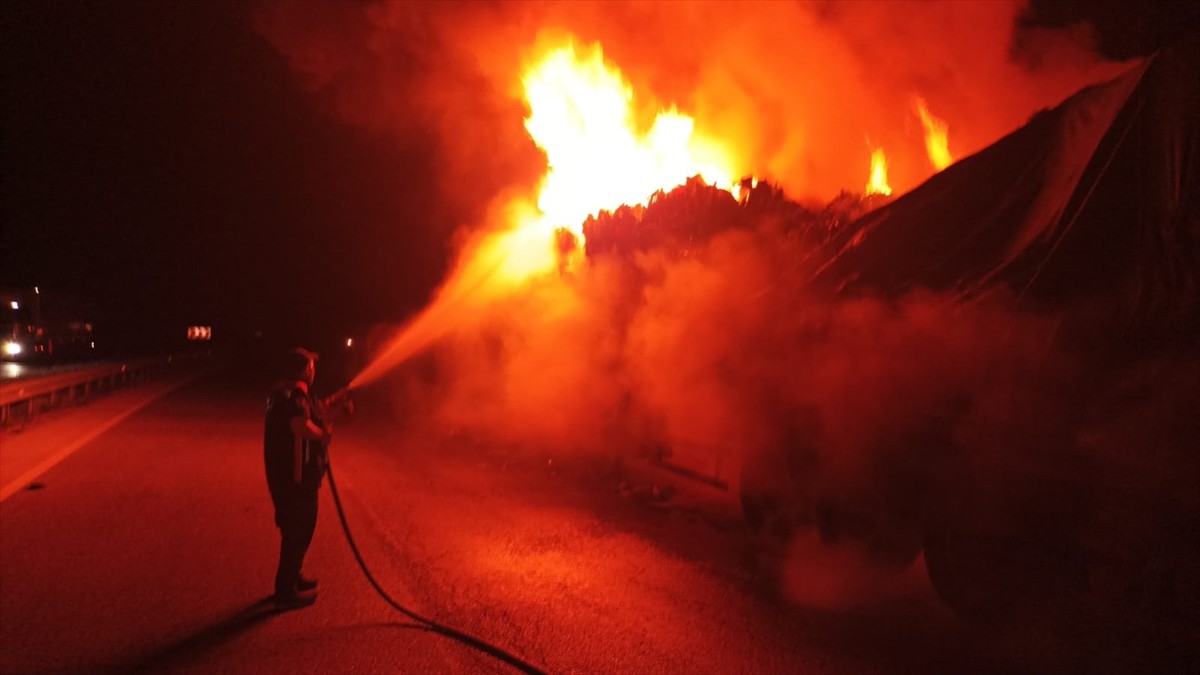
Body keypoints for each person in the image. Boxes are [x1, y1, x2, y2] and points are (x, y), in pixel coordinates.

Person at [263, 347, 333, 610]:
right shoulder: (295, 393)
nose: (314, 370)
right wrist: (322, 436)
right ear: (305, 369)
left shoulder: (284, 390)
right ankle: (285, 589)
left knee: (296, 526)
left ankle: (293, 576)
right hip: (295, 476)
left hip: (285, 474)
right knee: (299, 526)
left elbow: (306, 414)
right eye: (311, 366)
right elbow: (299, 425)